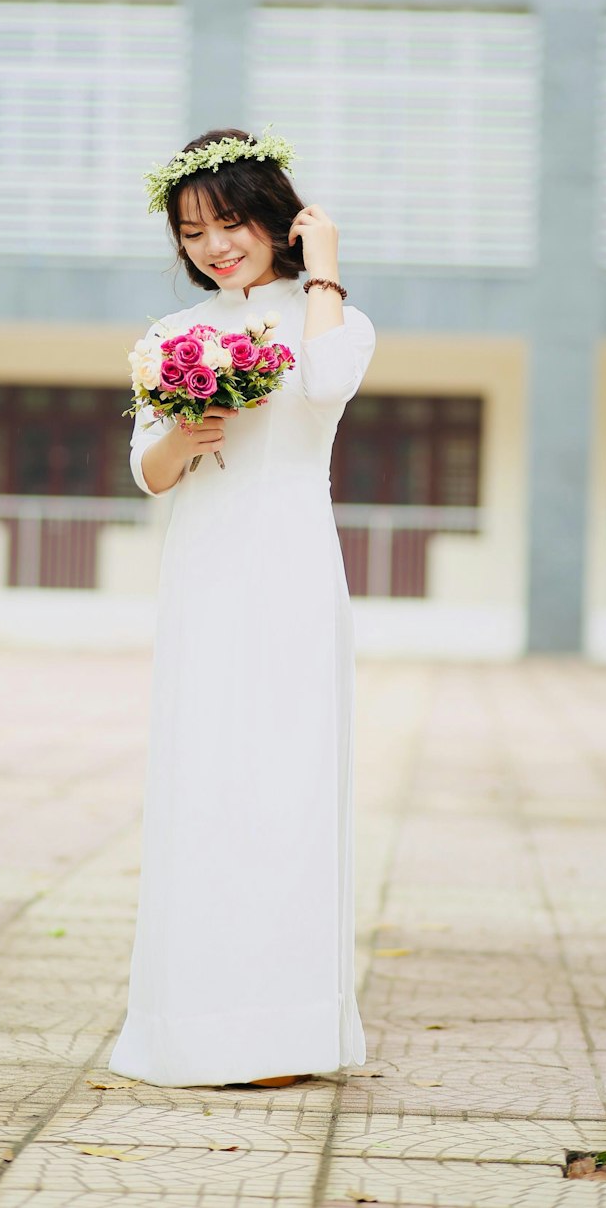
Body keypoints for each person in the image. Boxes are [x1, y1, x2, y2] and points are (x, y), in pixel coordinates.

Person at [108, 126, 376, 1089]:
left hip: (295, 568)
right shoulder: (171, 337)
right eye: (193, 231)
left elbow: (326, 386)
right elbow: (150, 472)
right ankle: (197, 1025)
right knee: (204, 779)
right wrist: (187, 429)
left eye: (228, 221)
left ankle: (285, 1033)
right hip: (206, 575)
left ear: (273, 215)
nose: (215, 245)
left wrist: (326, 274)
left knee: (289, 782)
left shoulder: (334, 317)